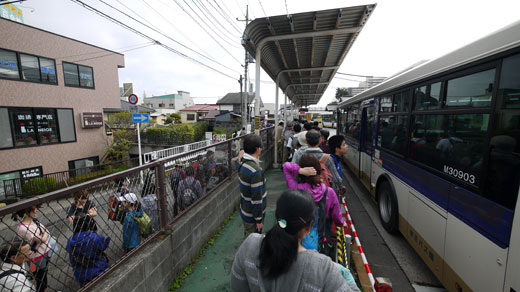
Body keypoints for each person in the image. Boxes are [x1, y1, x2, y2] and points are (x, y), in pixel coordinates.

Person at [230, 189, 359, 292]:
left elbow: (237, 286)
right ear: (309, 227)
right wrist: (344, 272)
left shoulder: (250, 244)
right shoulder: (322, 267)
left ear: (277, 216)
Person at [283, 154, 347, 256]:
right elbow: (336, 214)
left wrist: (300, 170)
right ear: (319, 170)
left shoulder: (295, 189)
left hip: (298, 240)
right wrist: (341, 223)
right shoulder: (329, 192)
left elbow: (286, 166)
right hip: (319, 241)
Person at [15, 205, 57, 292]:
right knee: (41, 280)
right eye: (34, 209)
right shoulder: (23, 228)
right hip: (35, 257)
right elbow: (42, 239)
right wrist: (43, 235)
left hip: (44, 252)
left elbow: (46, 231)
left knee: (44, 274)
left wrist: (43, 235)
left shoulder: (34, 221)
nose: (36, 210)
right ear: (27, 213)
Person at [66, 216, 110, 287]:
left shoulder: (70, 240)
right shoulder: (95, 236)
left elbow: (71, 255)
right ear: (88, 225)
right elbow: (104, 244)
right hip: (99, 269)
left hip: (81, 273)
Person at [236, 134, 267, 237]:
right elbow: (257, 198)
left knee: (248, 236)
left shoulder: (241, 163)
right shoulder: (255, 171)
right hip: (252, 216)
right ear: (258, 149)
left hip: (245, 209)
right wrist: (259, 220)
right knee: (252, 243)